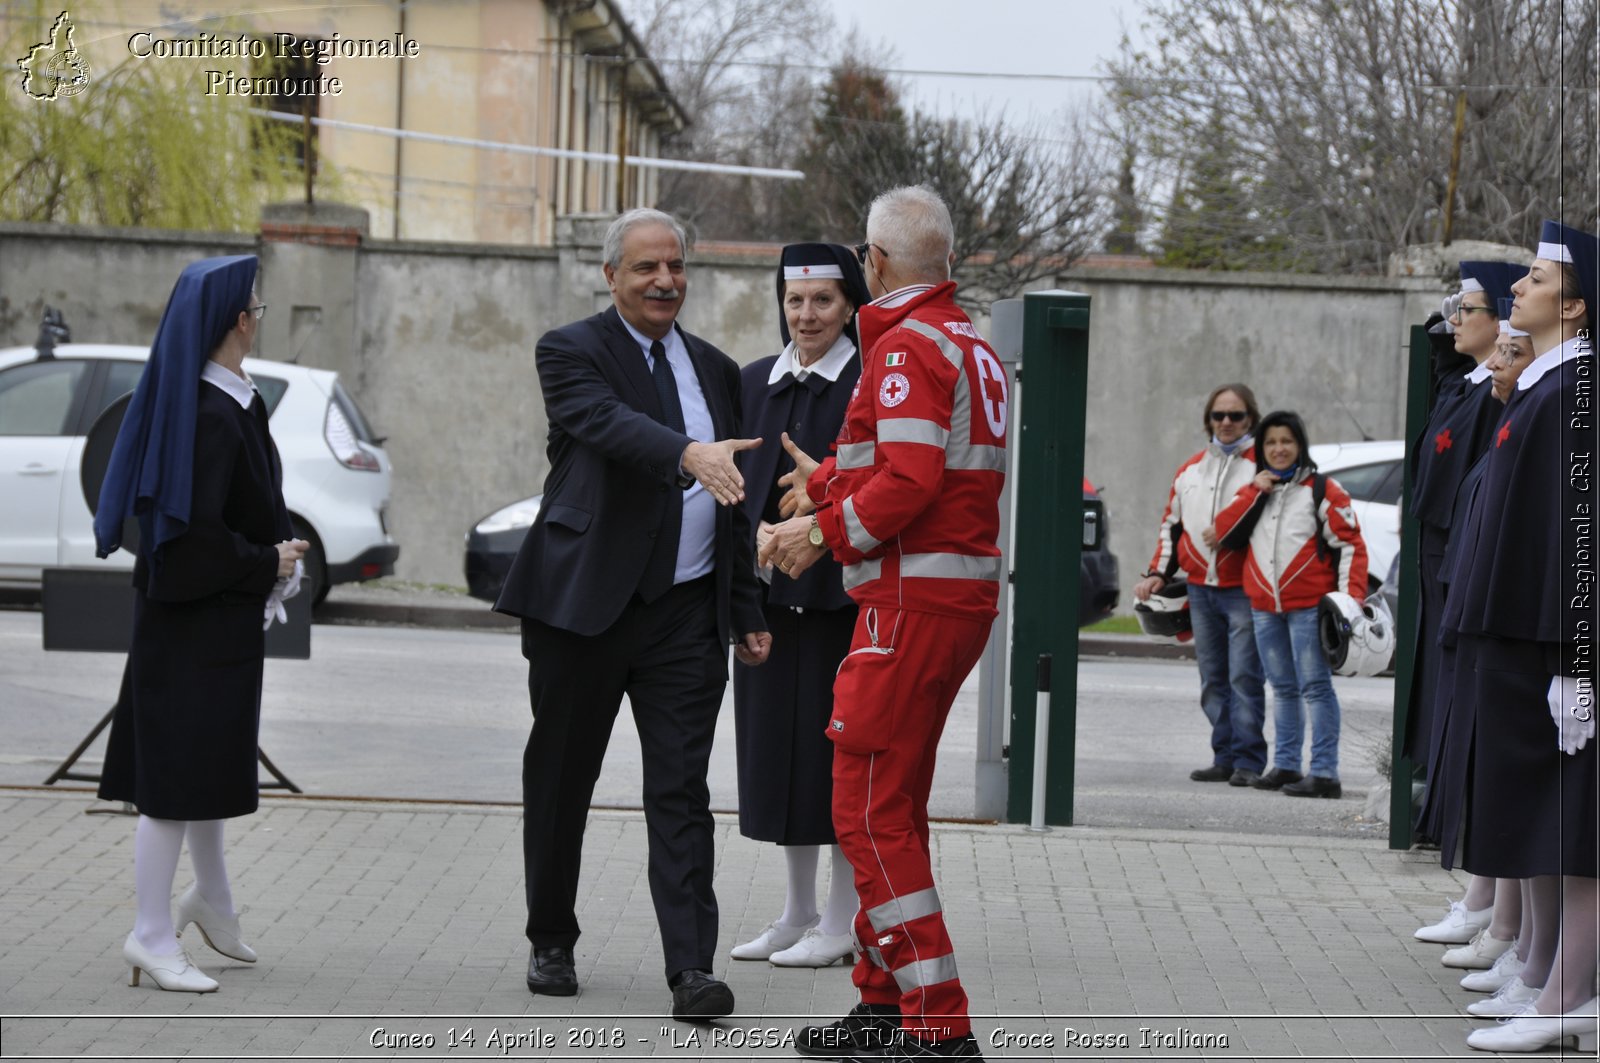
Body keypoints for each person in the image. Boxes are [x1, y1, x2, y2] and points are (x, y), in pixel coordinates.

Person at [494, 208, 772, 1021]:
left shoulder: (719, 372)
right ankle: (551, 936)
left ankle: (692, 969)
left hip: (686, 615)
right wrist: (686, 451)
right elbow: (605, 424)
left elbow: (735, 500)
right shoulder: (570, 350)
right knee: (561, 777)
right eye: (646, 267)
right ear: (611, 275)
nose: (664, 281)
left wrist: (745, 605)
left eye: (675, 267)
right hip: (584, 609)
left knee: (682, 789)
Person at [763, 185, 1006, 1060]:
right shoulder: (966, 342)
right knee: (891, 805)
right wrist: (824, 480)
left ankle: (936, 1023)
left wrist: (816, 532)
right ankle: (883, 1003)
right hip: (951, 604)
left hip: (907, 607)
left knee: (866, 811)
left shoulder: (904, 347)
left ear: (875, 263)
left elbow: (908, 482)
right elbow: (899, 461)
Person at [93, 256, 308, 993]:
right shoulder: (208, 414)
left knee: (208, 769)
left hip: (211, 628)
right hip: (189, 627)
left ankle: (211, 900)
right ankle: (150, 934)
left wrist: (268, 557)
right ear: (240, 322)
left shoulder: (227, 401)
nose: (258, 318)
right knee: (173, 788)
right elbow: (185, 545)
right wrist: (268, 559)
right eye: (258, 308)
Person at [1450, 220, 1598, 1054]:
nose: (1518, 287)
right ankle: (1546, 973)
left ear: (1574, 307)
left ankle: (1568, 994)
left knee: (1567, 825)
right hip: (1515, 632)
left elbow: (1578, 536)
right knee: (1536, 822)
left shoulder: (1575, 391)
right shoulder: (1544, 387)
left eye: (1536, 278)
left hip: (1548, 640)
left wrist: (1576, 660)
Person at [729, 243, 870, 969]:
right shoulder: (754, 381)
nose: (806, 315)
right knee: (776, 760)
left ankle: (845, 919)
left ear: (849, 304)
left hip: (843, 600)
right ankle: (798, 910)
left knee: (836, 761)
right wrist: (749, 532)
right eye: (795, 301)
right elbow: (732, 483)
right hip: (766, 601)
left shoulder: (870, 381)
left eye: (822, 301)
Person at [1215, 411, 1367, 799]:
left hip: (1308, 609)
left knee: (1315, 688)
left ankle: (1324, 773)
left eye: (1286, 441)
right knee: (1282, 688)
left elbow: (1350, 545)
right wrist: (1254, 491)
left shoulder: (1323, 489)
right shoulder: (1254, 490)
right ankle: (1285, 765)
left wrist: (1350, 604)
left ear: (1300, 445)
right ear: (1261, 449)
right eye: (1270, 443)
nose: (1279, 449)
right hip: (1264, 607)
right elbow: (1222, 533)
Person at [1133, 385, 1268, 786]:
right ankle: (1223, 756)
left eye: (1236, 416)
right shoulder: (1189, 469)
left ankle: (1248, 761)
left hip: (1243, 587)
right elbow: (1171, 526)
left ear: (1250, 419)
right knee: (1213, 677)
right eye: (1218, 416)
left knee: (1245, 676)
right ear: (1208, 420)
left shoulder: (1262, 468)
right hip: (1199, 588)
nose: (1226, 423)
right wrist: (1158, 571)